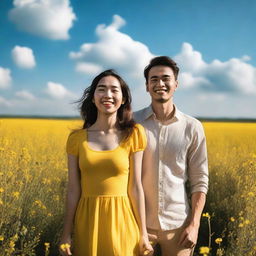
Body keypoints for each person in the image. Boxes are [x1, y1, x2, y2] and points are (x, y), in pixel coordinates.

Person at [59, 69, 153, 256]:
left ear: (123, 98)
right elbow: (73, 189)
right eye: (101, 89)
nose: (108, 95)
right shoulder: (76, 138)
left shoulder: (134, 133)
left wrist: (143, 234)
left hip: (123, 218)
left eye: (114, 90)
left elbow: (136, 187)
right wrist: (66, 234)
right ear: (93, 98)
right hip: (87, 220)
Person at [134, 56, 209, 256]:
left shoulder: (192, 127)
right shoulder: (131, 122)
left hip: (179, 226)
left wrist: (194, 225)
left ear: (176, 84)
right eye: (154, 79)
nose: (160, 84)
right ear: (147, 86)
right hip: (137, 225)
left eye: (165, 78)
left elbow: (200, 179)